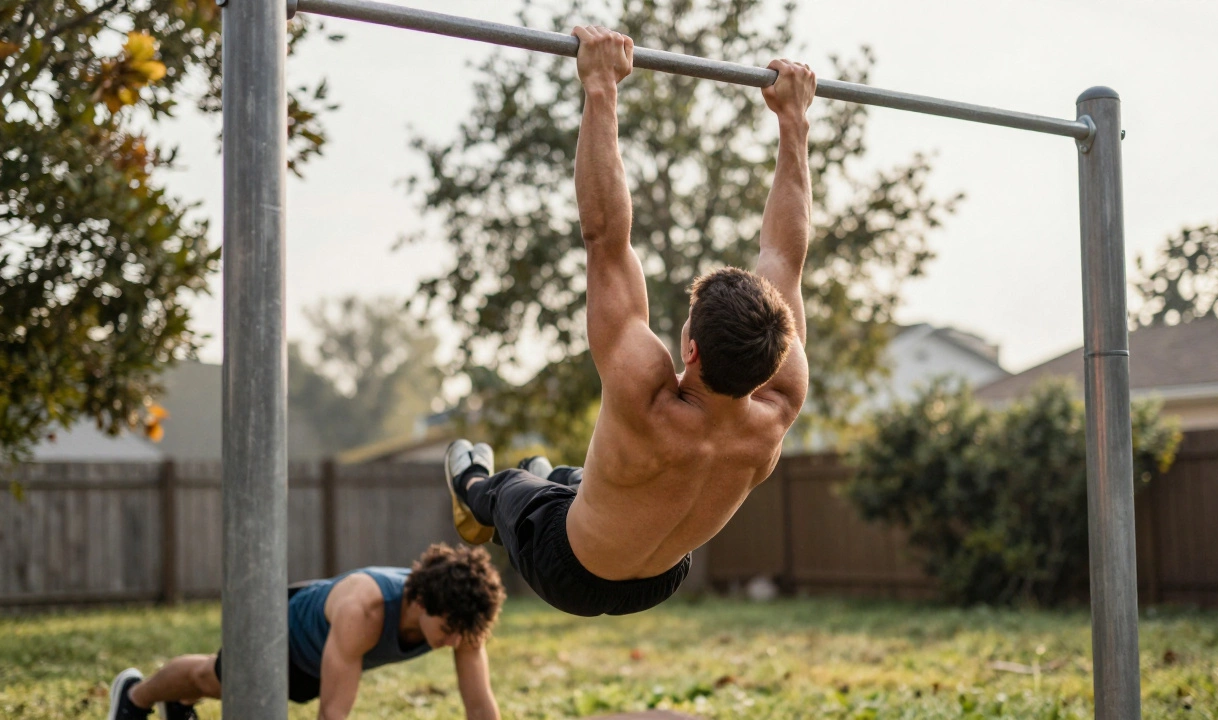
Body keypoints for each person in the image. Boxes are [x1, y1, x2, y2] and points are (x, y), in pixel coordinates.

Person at [444, 25, 815, 617]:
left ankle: (471, 489)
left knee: (513, 490)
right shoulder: (779, 408)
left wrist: (600, 87)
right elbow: (785, 259)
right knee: (577, 480)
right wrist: (795, 125)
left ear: (689, 351)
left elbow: (605, 242)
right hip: (663, 577)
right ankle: (552, 478)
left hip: (568, 566)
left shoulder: (645, 394)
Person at [106, 544, 505, 720]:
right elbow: (333, 713)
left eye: (462, 635)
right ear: (420, 603)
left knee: (212, 683)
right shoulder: (364, 611)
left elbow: (479, 708)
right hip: (283, 632)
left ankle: (176, 705)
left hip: (320, 658)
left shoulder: (463, 621)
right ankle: (134, 697)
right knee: (210, 677)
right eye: (448, 630)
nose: (454, 643)